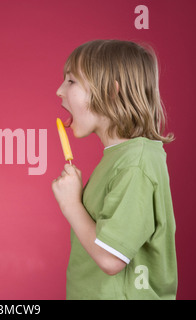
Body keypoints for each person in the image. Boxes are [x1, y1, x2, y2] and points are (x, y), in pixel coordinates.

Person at [52, 40, 177, 299]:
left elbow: (111, 259)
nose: (59, 90)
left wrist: (71, 205)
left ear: (110, 91)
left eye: (71, 81)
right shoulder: (119, 158)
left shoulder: (135, 163)